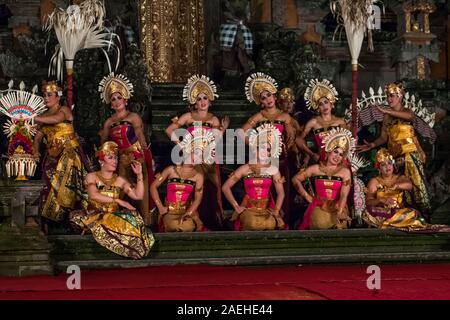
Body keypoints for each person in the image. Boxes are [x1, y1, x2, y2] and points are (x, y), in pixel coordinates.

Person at [355, 82, 431, 215]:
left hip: (410, 156)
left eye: (392, 96)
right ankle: (400, 213)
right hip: (396, 158)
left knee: (417, 187)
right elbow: (384, 138)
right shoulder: (387, 116)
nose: (389, 99)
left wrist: (386, 110)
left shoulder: (406, 112)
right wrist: (372, 145)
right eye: (388, 96)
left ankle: (423, 216)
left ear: (400, 96)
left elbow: (410, 117)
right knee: (399, 188)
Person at [165, 75, 229, 230]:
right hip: (191, 158)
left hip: (208, 158)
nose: (202, 101)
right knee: (193, 186)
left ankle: (213, 219)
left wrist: (223, 130)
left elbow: (216, 140)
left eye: (205, 98)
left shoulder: (214, 119)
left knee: (212, 187)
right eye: (199, 98)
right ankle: (194, 218)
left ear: (210, 100)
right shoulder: (188, 116)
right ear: (194, 101)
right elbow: (169, 130)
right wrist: (183, 146)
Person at [70, 141, 154, 259]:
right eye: (110, 158)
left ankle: (134, 249)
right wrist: (119, 201)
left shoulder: (119, 180)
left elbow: (138, 196)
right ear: (101, 161)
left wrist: (139, 175)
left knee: (133, 218)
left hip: (114, 215)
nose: (115, 161)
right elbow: (94, 195)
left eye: (115, 158)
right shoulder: (92, 176)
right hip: (95, 214)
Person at [98, 72, 155, 227]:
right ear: (110, 103)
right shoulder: (109, 122)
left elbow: (139, 133)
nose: (116, 102)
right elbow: (104, 143)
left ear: (125, 99)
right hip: (120, 158)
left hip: (136, 155)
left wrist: (145, 151)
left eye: (119, 98)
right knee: (120, 188)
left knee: (141, 186)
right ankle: (112, 218)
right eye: (113, 99)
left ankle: (146, 221)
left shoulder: (133, 117)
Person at [33, 80, 90, 231]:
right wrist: (35, 150)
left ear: (58, 96)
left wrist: (34, 118)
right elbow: (38, 138)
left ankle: (70, 220)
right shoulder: (43, 116)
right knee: (48, 186)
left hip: (69, 155)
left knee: (68, 186)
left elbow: (56, 119)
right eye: (44, 95)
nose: (46, 98)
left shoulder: (63, 110)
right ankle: (51, 221)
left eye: (49, 95)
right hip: (51, 156)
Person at [242, 72, 296, 227]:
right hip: (262, 160)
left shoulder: (285, 116)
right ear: (261, 102)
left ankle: (279, 218)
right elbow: (240, 132)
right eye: (263, 98)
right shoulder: (258, 116)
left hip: (280, 161)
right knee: (263, 190)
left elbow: (292, 138)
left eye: (269, 95)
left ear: (274, 95)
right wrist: (255, 144)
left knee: (281, 191)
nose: (268, 99)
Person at [362, 148, 449, 232]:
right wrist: (381, 200)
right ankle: (398, 223)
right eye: (383, 165)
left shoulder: (399, 177)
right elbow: (368, 202)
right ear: (379, 168)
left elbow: (409, 185)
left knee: (413, 212)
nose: (387, 167)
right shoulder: (374, 181)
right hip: (382, 212)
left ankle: (390, 223)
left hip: (399, 211)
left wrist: (397, 185)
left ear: (393, 165)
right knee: (367, 213)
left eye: (389, 163)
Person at [222, 127, 285, 231]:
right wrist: (236, 206)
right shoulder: (245, 168)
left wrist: (277, 210)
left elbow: (281, 193)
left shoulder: (273, 170)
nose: (264, 151)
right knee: (252, 224)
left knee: (270, 224)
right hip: (248, 209)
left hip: (266, 210)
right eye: (262, 147)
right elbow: (225, 187)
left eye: (268, 149)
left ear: (271, 152)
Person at [292, 128, 354, 230]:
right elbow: (295, 179)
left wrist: (340, 211)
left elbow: (344, 195)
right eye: (335, 152)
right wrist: (307, 196)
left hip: (337, 207)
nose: (337, 156)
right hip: (319, 207)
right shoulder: (316, 169)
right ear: (328, 152)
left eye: (341, 154)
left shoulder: (345, 172)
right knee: (320, 223)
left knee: (339, 225)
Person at [150, 133, 206, 232]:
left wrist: (189, 212)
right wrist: (160, 207)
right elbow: (153, 187)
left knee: (187, 227)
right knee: (174, 226)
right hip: (169, 211)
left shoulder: (198, 176)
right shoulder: (170, 170)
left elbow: (198, 199)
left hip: (186, 212)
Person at [297, 79, 347, 165]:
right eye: (320, 104)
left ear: (331, 103)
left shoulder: (340, 122)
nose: (324, 106)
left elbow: (346, 144)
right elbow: (298, 139)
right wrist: (311, 154)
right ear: (317, 108)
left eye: (326, 102)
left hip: (338, 161)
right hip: (321, 160)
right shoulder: (313, 122)